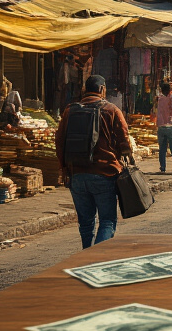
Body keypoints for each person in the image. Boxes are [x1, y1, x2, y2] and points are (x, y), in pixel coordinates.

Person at [56, 75, 132, 249]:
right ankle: (94, 259)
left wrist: (64, 169)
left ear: (85, 90)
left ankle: (85, 255)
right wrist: (125, 156)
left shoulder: (69, 111)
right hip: (104, 173)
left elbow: (59, 141)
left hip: (77, 174)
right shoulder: (111, 110)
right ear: (102, 89)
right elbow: (124, 140)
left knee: (85, 223)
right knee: (107, 221)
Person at [154, 81, 172, 174]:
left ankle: (162, 167)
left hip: (161, 126)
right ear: (171, 90)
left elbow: (156, 111)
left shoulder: (159, 99)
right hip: (171, 125)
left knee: (162, 148)